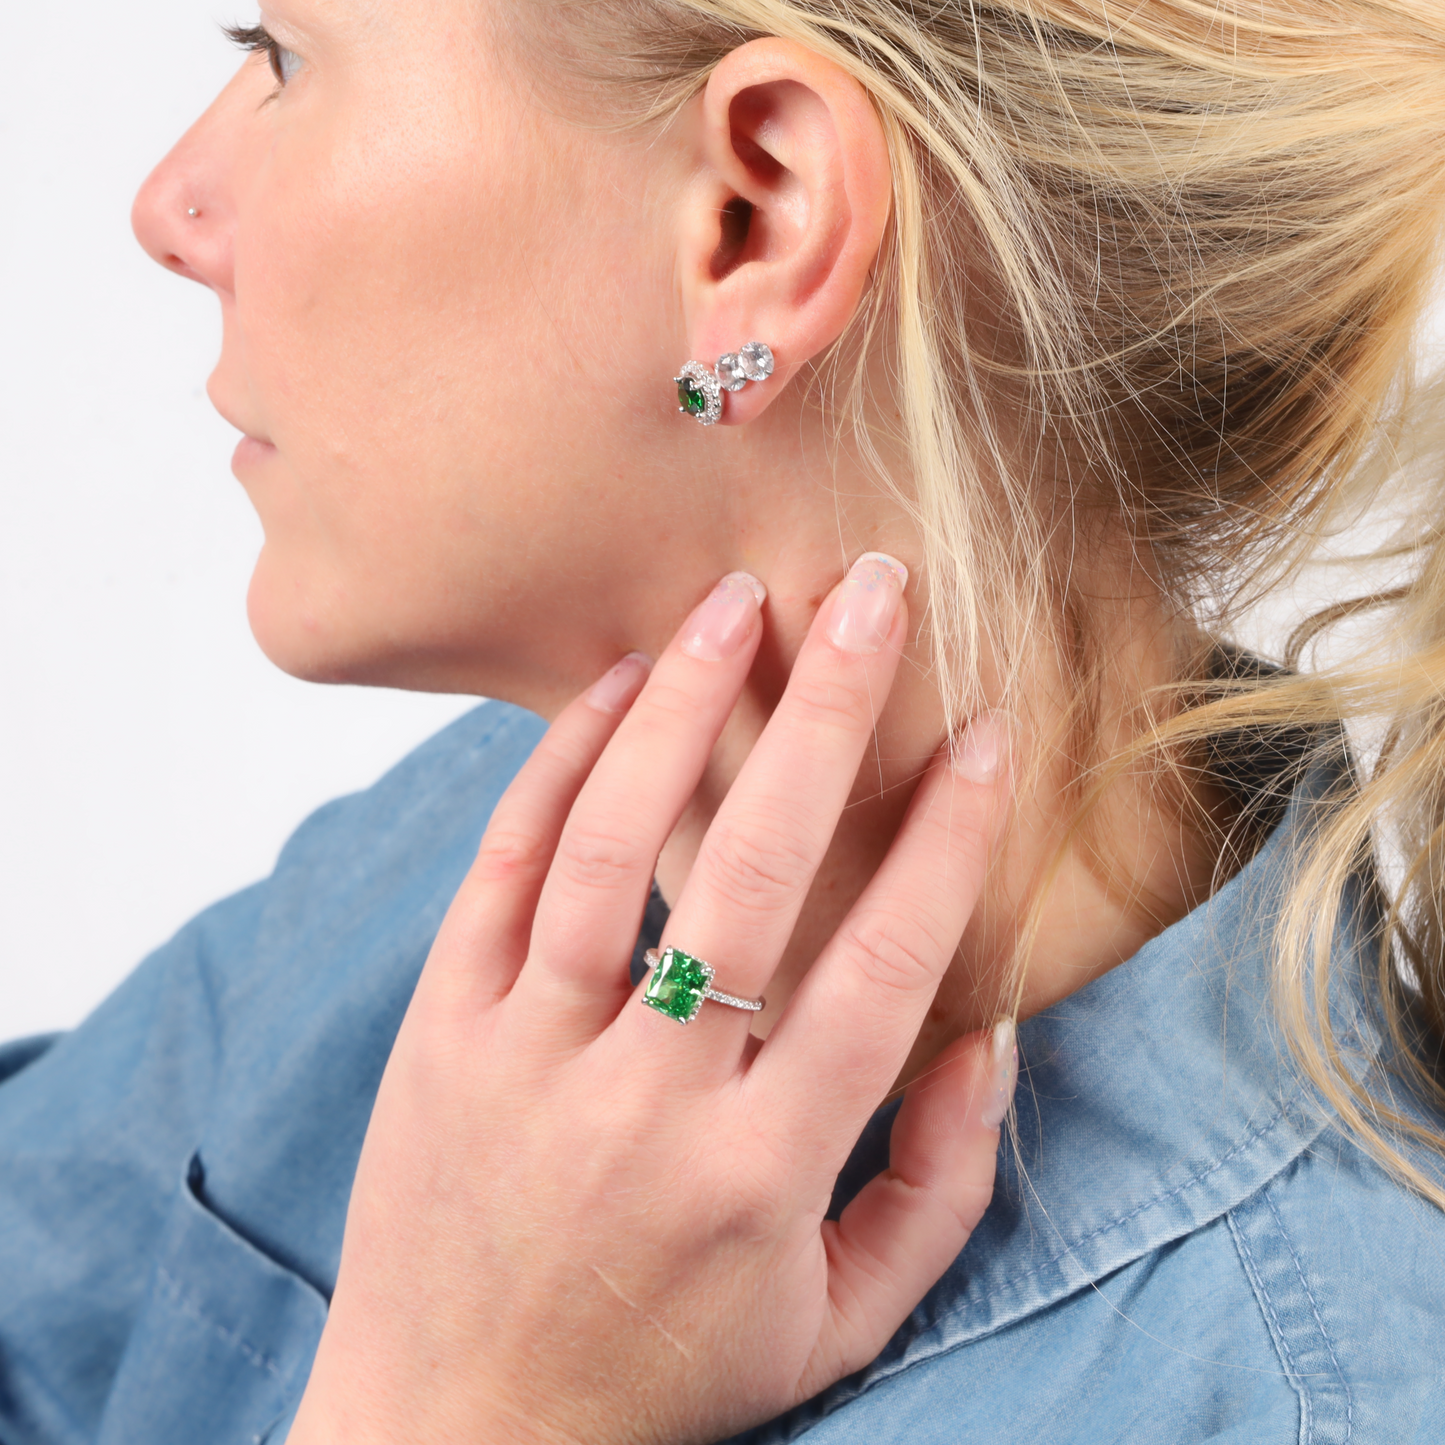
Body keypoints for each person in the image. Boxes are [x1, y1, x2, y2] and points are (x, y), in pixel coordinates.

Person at [3, 0, 1445, 1440]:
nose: (169, 208)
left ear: (756, 221)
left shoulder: (1303, 1397)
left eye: (281, 56)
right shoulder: (508, 837)